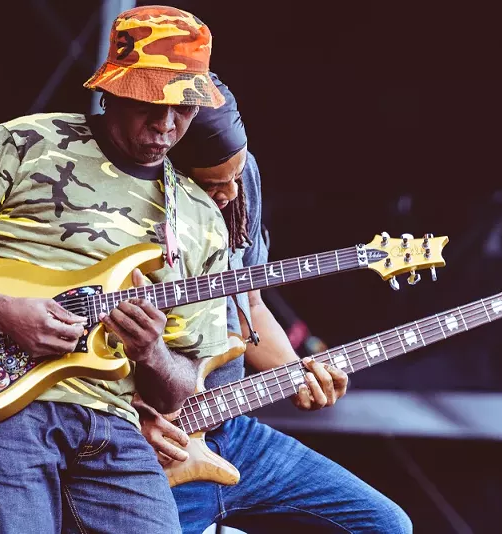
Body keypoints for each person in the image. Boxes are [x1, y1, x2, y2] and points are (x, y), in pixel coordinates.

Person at [0, 6, 230, 534]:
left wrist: (150, 349)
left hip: (116, 426)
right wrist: (2, 309)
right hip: (0, 396)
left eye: (183, 107)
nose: (165, 123)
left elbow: (181, 389)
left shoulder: (199, 217)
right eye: (148, 102)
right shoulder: (28, 142)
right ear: (111, 90)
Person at [134, 73, 414, 533]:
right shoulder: (129, 203)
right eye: (212, 186)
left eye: (236, 176)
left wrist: (299, 375)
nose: (230, 193)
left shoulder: (242, 178)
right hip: (154, 448)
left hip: (232, 429)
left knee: (386, 526)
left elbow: (250, 308)